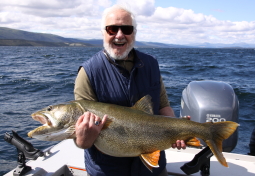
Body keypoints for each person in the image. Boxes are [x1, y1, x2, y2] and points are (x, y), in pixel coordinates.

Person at [74, 4, 186, 176]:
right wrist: (82, 139)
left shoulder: (151, 65)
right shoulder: (88, 73)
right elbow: (81, 138)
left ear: (134, 33)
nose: (119, 35)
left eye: (126, 29)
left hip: (153, 168)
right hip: (108, 171)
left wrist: (178, 130)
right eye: (112, 29)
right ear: (103, 33)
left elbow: (163, 107)